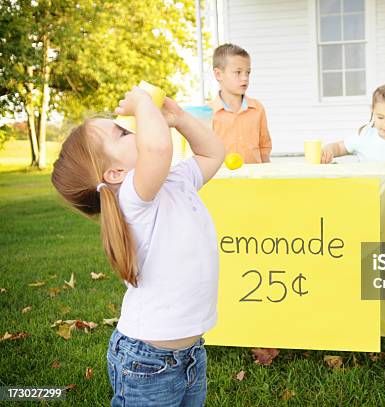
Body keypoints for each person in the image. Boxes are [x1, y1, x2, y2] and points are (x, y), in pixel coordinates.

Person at [51, 86, 225, 405]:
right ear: (116, 172)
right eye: (121, 132)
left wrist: (181, 119)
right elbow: (157, 150)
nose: (133, 128)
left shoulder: (175, 181)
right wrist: (142, 101)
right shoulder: (133, 200)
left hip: (189, 353)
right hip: (148, 363)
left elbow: (214, 153)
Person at [209, 43, 272, 163]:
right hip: (223, 179)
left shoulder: (257, 108)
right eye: (238, 72)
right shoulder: (208, 113)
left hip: (254, 179)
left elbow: (264, 148)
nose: (245, 78)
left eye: (247, 72)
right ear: (218, 74)